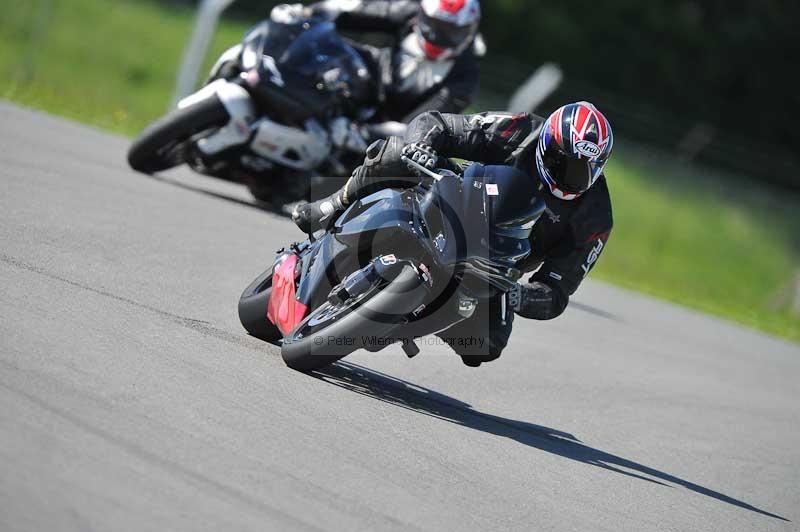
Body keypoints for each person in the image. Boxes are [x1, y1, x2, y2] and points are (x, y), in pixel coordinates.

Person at [293, 102, 614, 366]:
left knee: (486, 346)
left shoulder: (595, 217)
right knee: (395, 152)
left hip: (495, 267)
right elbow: (439, 124)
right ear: (547, 144)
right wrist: (422, 145)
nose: (573, 177)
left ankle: (408, 320)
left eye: (587, 169)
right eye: (565, 163)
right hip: (457, 200)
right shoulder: (519, 130)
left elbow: (556, 292)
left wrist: (520, 296)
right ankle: (333, 205)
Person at [301, 0, 483, 123]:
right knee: (337, 50)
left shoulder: (466, 74)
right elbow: (359, 9)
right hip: (377, 79)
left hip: (395, 128)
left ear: (469, 30)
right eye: (434, 25)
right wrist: (308, 12)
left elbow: (428, 122)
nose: (437, 36)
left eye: (451, 31)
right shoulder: (409, 12)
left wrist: (372, 133)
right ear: (422, 16)